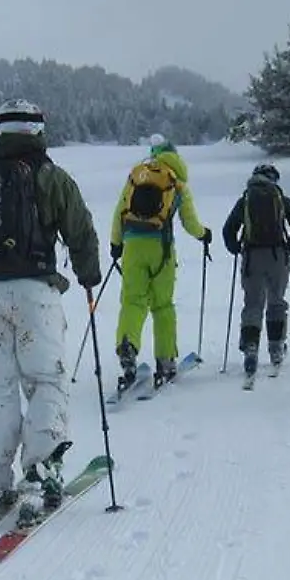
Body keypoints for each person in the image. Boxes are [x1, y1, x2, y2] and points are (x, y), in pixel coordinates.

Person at [0, 98, 103, 524]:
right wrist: (88, 277)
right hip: (36, 292)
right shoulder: (52, 176)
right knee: (45, 380)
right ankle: (39, 473)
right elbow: (80, 231)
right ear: (37, 130)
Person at [110, 134, 212, 391]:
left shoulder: (136, 177)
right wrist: (204, 235)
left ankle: (127, 345)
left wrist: (116, 244)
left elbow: (119, 212)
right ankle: (165, 361)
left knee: (132, 301)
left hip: (132, 247)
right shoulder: (177, 183)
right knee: (162, 306)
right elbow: (190, 224)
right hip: (162, 249)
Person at [220, 163, 290, 377]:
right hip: (277, 256)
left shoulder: (246, 198)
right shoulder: (279, 197)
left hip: (252, 257)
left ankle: (250, 346)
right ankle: (276, 348)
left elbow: (229, 228)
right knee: (277, 302)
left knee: (253, 303)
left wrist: (235, 248)